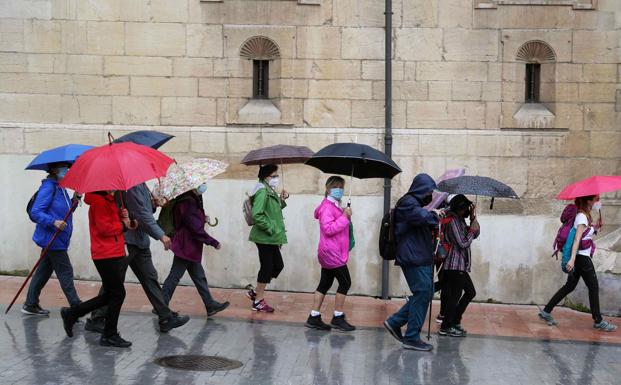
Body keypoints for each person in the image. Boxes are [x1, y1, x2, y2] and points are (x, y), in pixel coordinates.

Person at [85, 183, 190, 333]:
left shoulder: (141, 184)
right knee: (114, 283)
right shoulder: (131, 186)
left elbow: (144, 209)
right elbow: (140, 213)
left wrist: (154, 204)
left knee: (150, 277)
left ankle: (165, 317)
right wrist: (160, 235)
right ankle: (97, 318)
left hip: (139, 241)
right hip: (128, 241)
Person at [60, 191, 132, 348]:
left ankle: (72, 313)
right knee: (118, 293)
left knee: (109, 295)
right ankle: (109, 334)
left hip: (114, 250)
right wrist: (122, 225)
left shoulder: (109, 200)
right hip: (105, 253)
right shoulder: (99, 202)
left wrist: (123, 217)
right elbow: (104, 228)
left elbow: (112, 224)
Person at [538, 195, 616, 332]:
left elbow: (584, 234)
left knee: (569, 286)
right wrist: (572, 259)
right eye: (596, 199)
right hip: (581, 258)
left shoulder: (584, 216)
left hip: (580, 258)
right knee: (593, 287)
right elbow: (576, 240)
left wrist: (595, 228)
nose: (598, 202)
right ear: (588, 201)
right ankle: (598, 321)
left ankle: (546, 311)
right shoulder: (582, 217)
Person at [383, 173, 440, 351]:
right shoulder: (407, 203)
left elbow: (422, 218)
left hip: (419, 256)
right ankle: (412, 337)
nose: (430, 195)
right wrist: (435, 215)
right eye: (429, 191)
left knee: (425, 292)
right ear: (422, 189)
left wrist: (433, 213)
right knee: (423, 292)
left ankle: (395, 322)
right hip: (413, 257)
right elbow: (423, 218)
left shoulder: (413, 204)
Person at [161, 184, 230, 317]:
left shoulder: (191, 199)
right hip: (186, 246)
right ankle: (161, 305)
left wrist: (202, 218)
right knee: (175, 276)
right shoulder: (188, 202)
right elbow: (195, 229)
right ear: (193, 186)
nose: (204, 185)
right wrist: (213, 242)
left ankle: (210, 305)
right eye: (201, 183)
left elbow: (192, 221)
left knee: (199, 276)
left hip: (189, 246)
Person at [23, 163, 81, 315]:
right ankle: (76, 307)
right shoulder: (49, 187)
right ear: (54, 170)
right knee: (66, 271)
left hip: (58, 238)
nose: (67, 171)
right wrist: (53, 222)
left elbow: (66, 212)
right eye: (64, 168)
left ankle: (30, 304)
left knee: (43, 272)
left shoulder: (60, 188)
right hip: (52, 239)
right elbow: (36, 212)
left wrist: (75, 199)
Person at [305, 176, 355, 332]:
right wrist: (345, 217)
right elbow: (328, 229)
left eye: (341, 187)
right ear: (328, 189)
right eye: (336, 187)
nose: (339, 190)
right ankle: (338, 317)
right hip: (332, 253)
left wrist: (344, 214)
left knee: (325, 283)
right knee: (345, 282)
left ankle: (314, 317)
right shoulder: (327, 207)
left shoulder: (334, 205)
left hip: (331, 251)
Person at [246, 164, 289, 312]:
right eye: (273, 176)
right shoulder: (263, 191)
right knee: (267, 267)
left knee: (278, 266)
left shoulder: (269, 190)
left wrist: (281, 200)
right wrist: (271, 229)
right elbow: (258, 214)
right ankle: (258, 301)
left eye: (277, 176)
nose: (276, 178)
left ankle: (256, 292)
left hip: (270, 236)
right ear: (265, 177)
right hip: (264, 236)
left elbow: (272, 211)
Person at [438, 194, 479, 337]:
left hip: (460, 265)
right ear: (460, 208)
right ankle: (446, 326)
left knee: (470, 293)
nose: (467, 210)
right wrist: (472, 231)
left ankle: (454, 321)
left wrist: (473, 218)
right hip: (454, 265)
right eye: (466, 208)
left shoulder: (460, 220)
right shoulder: (453, 221)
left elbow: (476, 233)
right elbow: (462, 243)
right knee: (454, 298)